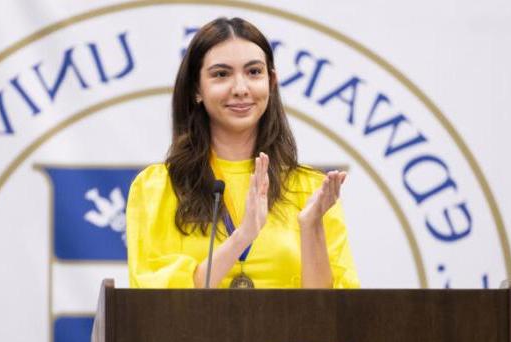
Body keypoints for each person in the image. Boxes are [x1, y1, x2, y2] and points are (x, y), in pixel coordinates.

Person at [126, 17, 359, 289]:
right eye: (221, 74)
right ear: (196, 89)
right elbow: (153, 304)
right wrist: (243, 236)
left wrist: (311, 226)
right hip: (194, 333)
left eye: (254, 72)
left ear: (271, 82)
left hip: (288, 334)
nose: (240, 89)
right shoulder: (157, 187)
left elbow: (329, 316)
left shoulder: (311, 189)